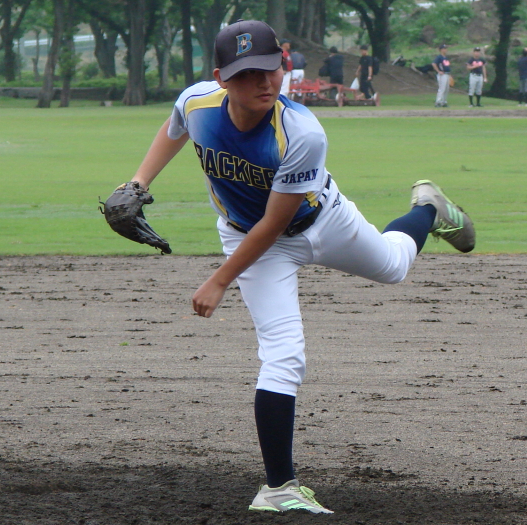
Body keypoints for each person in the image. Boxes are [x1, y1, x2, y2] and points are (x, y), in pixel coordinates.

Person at [119, 19, 475, 515]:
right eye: (246, 74)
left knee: (394, 265)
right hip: (248, 238)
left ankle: (429, 209)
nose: (263, 82)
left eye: (270, 68)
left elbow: (274, 222)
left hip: (322, 221)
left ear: (283, 65)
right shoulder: (198, 102)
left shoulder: (301, 132)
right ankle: (279, 488)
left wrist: (220, 280)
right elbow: (174, 127)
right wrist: (137, 183)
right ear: (221, 79)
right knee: (283, 354)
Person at [432, 43, 451, 107]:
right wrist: (438, 71)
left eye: (446, 48)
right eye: (444, 48)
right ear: (441, 50)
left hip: (447, 74)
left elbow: (447, 66)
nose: (445, 50)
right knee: (442, 88)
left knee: (446, 89)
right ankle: (438, 102)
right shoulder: (439, 57)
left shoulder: (446, 57)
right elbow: (434, 64)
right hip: (442, 75)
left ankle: (443, 102)